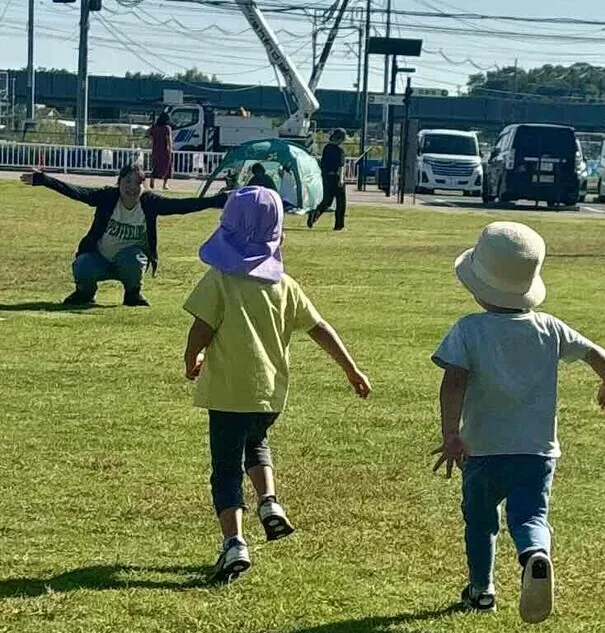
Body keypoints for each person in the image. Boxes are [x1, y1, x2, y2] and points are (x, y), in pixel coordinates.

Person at [431, 222, 605, 624]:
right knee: (531, 517)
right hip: (537, 452)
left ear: (478, 287)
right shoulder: (549, 327)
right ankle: (535, 555)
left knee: (481, 522)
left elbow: (453, 385)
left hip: (482, 450)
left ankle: (481, 590)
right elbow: (593, 351)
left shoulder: (469, 329)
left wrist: (451, 435)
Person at [182, 186, 371, 583]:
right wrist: (351, 369)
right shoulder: (285, 286)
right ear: (279, 236)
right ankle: (269, 503)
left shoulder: (219, 280)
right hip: (268, 394)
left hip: (227, 394)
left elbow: (201, 327)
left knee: (225, 469)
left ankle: (234, 543)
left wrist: (192, 358)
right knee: (257, 444)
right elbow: (321, 330)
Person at [20, 164, 228, 307]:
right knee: (83, 264)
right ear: (119, 182)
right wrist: (44, 180)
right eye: (127, 181)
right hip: (100, 258)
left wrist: (214, 201)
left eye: (137, 183)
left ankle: (132, 293)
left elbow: (183, 206)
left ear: (143, 186)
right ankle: (85, 293)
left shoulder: (149, 203)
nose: (132, 187)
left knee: (132, 258)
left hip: (128, 261)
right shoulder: (106, 197)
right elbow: (75, 191)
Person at [308, 128, 347, 231]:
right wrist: (341, 179)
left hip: (326, 177)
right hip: (336, 177)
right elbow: (341, 166)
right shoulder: (340, 150)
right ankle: (339, 225)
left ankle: (315, 214)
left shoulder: (327, 148)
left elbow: (323, 164)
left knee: (327, 201)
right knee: (341, 203)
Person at [148, 112, 173, 190]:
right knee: (167, 166)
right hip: (165, 150)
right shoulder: (167, 128)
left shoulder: (154, 127)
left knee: (156, 165)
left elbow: (148, 134)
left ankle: (153, 178)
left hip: (155, 150)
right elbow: (169, 139)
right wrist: (171, 149)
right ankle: (165, 184)